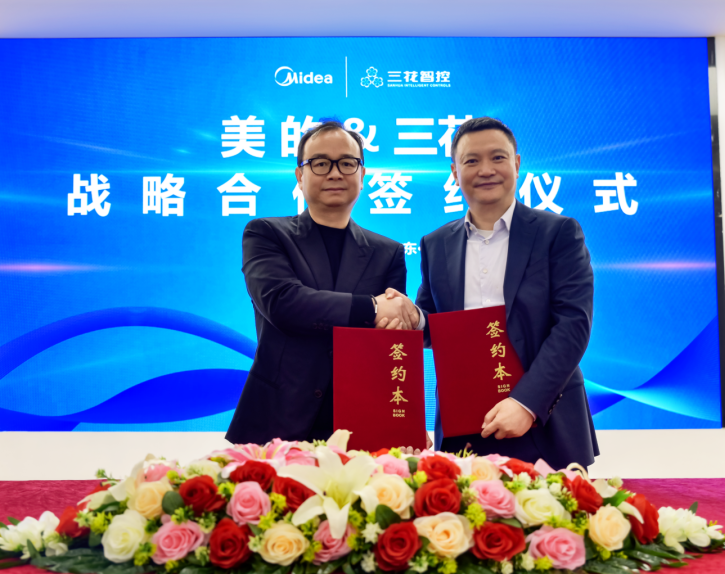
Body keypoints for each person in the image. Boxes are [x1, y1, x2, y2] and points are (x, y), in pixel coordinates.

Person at [389, 117, 598, 468]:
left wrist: (526, 403)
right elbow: (434, 325)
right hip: (465, 428)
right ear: (454, 172)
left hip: (546, 424)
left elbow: (573, 325)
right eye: (471, 160)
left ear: (516, 163)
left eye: (498, 157)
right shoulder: (436, 243)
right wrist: (412, 317)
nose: (486, 170)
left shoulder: (558, 233)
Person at [226, 120, 419, 445]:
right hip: (277, 421)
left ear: (362, 174)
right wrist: (371, 308)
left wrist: (404, 420)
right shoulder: (266, 233)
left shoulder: (388, 252)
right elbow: (284, 303)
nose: (335, 173)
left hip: (361, 422)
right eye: (320, 163)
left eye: (347, 163)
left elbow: (389, 342)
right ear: (300, 175)